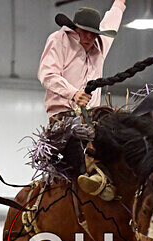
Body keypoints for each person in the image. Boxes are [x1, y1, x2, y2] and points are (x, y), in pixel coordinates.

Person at [38, 1, 126, 199]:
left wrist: (120, 3)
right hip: (63, 120)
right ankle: (90, 179)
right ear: (75, 29)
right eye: (84, 32)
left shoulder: (99, 44)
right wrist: (73, 93)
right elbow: (47, 74)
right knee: (77, 143)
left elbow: (111, 22)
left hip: (92, 120)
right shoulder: (59, 40)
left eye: (93, 33)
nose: (88, 38)